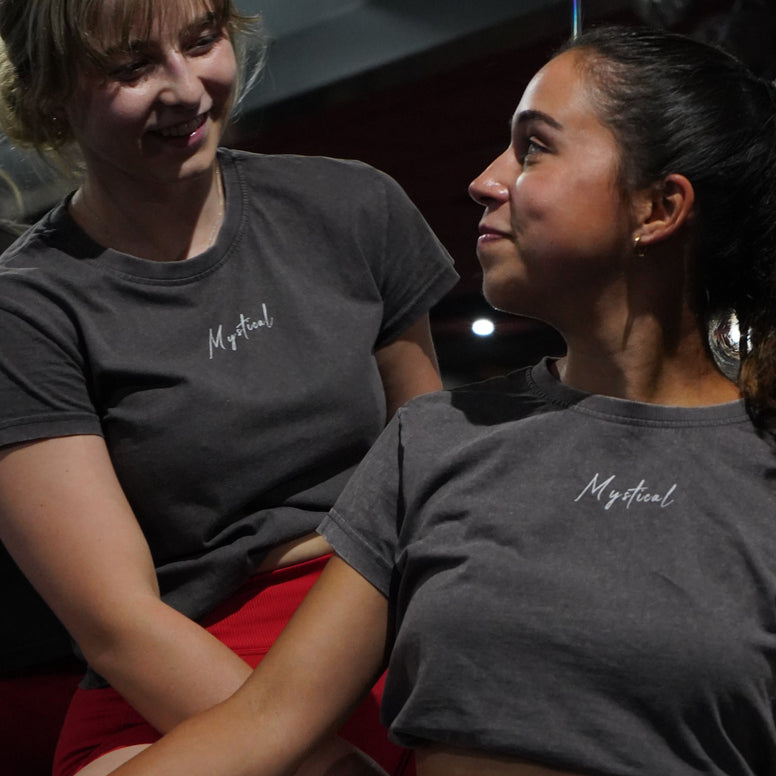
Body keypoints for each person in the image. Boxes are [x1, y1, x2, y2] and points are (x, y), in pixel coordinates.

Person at [99, 23, 776, 776]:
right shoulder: (433, 439)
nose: (486, 179)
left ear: (659, 208)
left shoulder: (761, 477)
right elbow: (266, 721)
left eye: (534, 148)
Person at [0, 0, 458, 774]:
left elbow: (437, 485)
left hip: (389, 613)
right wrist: (328, 765)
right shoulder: (27, 308)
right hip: (181, 671)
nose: (187, 88)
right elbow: (118, 625)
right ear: (51, 96)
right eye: (132, 66)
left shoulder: (352, 205)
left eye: (202, 41)